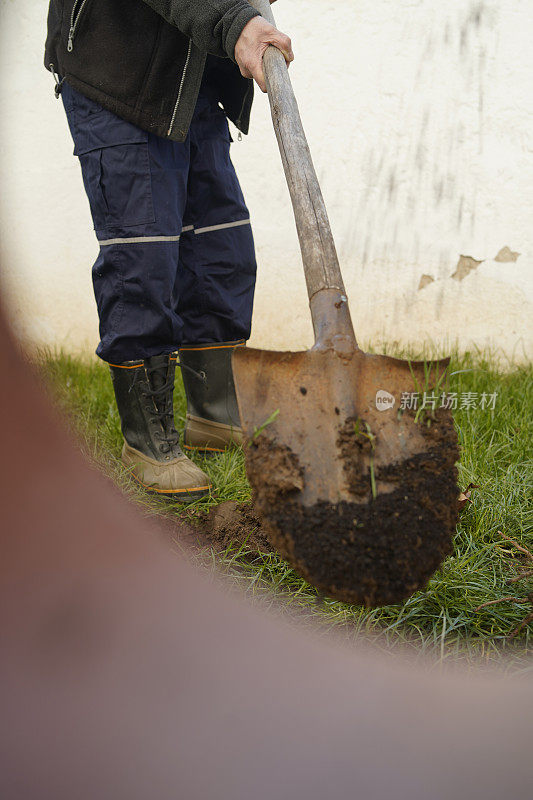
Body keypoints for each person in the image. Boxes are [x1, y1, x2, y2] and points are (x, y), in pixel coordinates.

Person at [45, 1, 293, 501]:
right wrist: (235, 22)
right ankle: (147, 441)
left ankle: (216, 414)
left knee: (221, 248)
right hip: (118, 67)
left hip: (194, 72)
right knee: (143, 258)